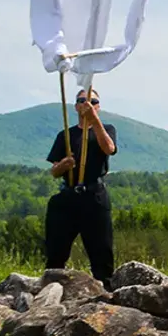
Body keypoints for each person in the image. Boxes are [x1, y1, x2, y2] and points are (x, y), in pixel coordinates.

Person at [44, 86, 118, 287]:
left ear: (99, 106)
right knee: (55, 253)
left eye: (93, 102)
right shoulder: (66, 135)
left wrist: (94, 120)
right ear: (76, 106)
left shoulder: (106, 129)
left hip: (94, 196)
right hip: (68, 196)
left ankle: (106, 298)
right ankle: (52, 294)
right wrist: (63, 165)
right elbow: (53, 172)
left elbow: (109, 149)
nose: (88, 104)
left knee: (101, 253)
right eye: (82, 101)